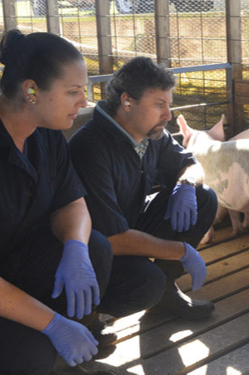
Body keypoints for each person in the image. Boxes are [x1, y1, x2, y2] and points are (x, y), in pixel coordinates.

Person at [0, 30, 118, 375]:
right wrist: (52, 323)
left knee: (94, 246)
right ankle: (44, 364)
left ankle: (64, 361)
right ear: (31, 90)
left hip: (14, 263)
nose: (85, 101)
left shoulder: (45, 131)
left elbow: (71, 201)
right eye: (73, 92)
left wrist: (75, 249)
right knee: (29, 359)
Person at [69, 57, 218, 321]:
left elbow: (191, 164)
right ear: (127, 102)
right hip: (96, 249)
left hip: (131, 223)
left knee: (202, 196)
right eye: (159, 105)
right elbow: (110, 238)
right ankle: (86, 318)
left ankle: (166, 293)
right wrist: (181, 251)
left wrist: (184, 184)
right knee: (146, 284)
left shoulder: (152, 133)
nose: (168, 115)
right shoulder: (91, 147)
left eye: (169, 105)